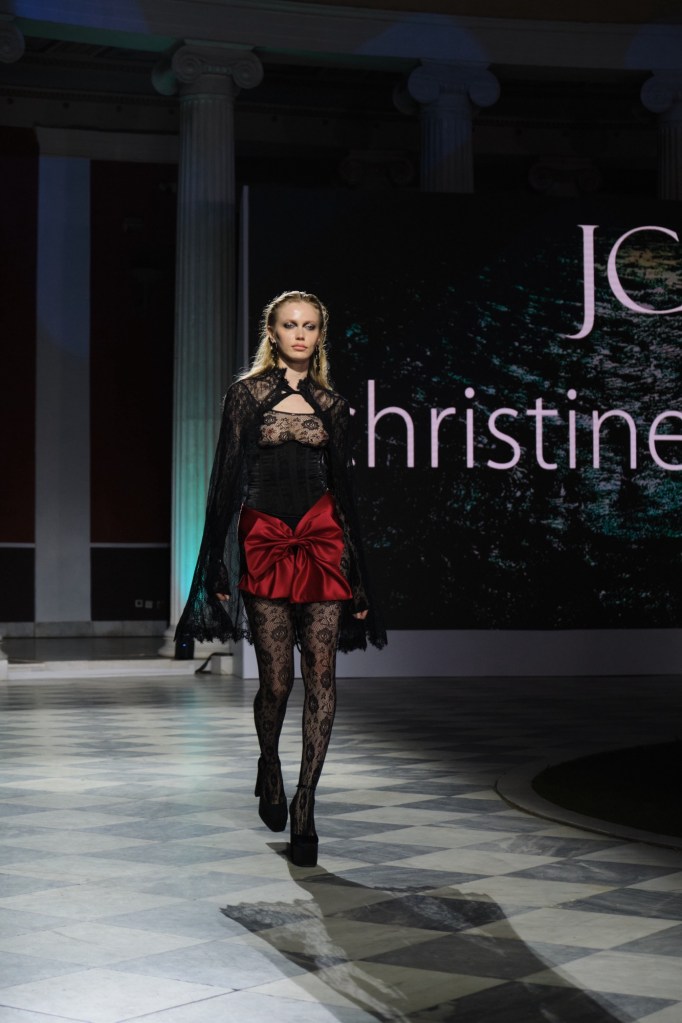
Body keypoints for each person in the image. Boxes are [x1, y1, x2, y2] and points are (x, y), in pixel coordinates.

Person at [175, 290, 386, 867]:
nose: (300, 334)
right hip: (264, 538)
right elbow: (225, 479)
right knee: (276, 684)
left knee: (322, 677)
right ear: (272, 333)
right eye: (290, 325)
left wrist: (356, 573)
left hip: (322, 540)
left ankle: (306, 803)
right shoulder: (246, 396)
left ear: (320, 335)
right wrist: (216, 560)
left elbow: (344, 492)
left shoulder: (332, 405)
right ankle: (269, 762)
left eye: (309, 326)